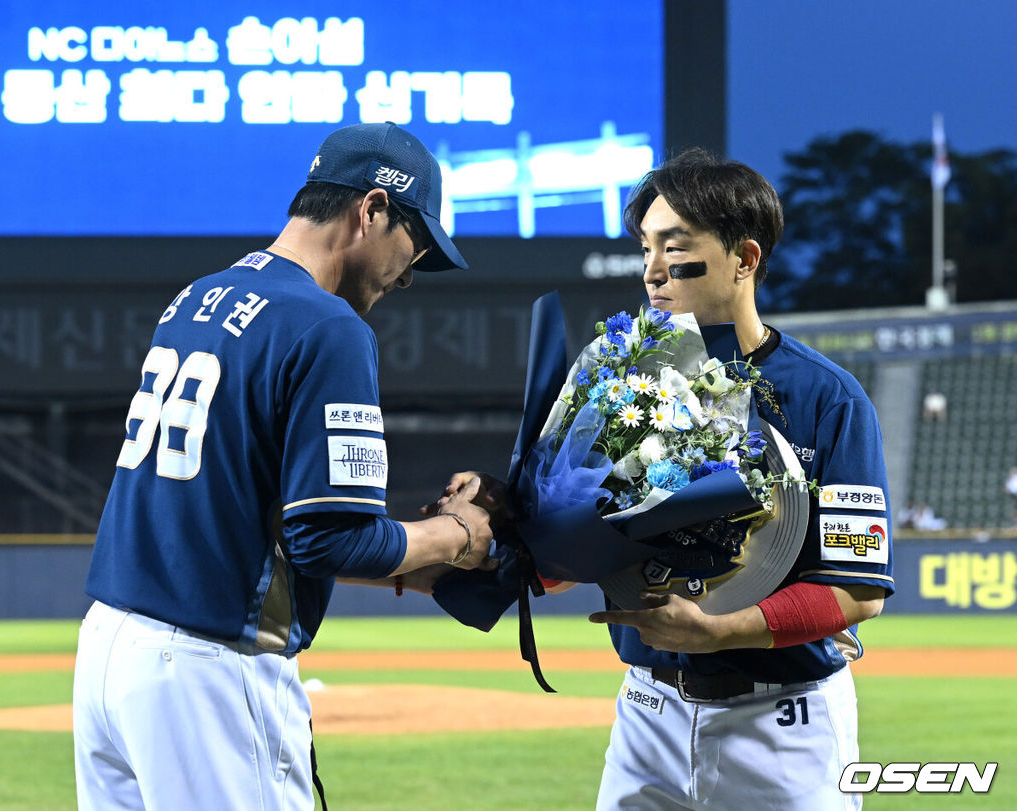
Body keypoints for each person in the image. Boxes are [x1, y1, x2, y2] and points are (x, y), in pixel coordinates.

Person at [427, 149, 894, 810]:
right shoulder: (615, 386)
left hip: (784, 726)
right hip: (648, 714)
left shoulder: (828, 399)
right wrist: (505, 528)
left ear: (745, 258)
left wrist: (719, 631)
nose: (651, 268)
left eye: (674, 246)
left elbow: (856, 592)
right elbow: (578, 550)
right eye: (646, 245)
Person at [72, 122, 495, 811]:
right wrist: (460, 536)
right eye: (413, 241)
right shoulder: (327, 325)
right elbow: (329, 538)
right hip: (207, 668)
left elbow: (247, 507)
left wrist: (408, 562)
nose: (410, 271)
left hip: (108, 650)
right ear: (372, 210)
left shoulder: (197, 297)